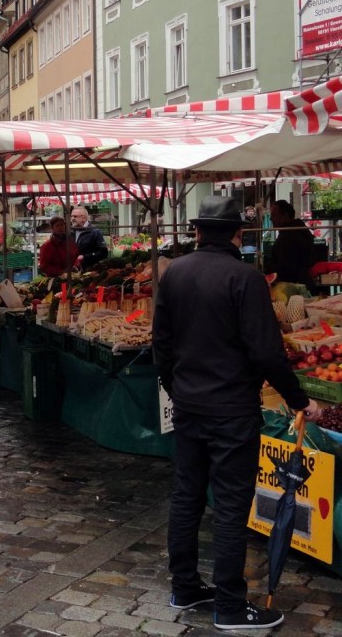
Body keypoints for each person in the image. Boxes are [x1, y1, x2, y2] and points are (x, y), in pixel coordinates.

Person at [153, 195, 320, 631]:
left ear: (196, 231)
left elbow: (162, 345)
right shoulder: (245, 278)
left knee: (187, 497)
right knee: (229, 506)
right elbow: (267, 353)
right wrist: (299, 399)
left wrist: (178, 387)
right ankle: (229, 605)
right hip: (230, 410)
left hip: (189, 405)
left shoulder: (175, 274)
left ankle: (184, 586)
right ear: (237, 233)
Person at [267, 199, 315, 289]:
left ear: (285, 216)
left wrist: (270, 267)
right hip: (303, 283)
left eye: (274, 215)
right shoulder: (299, 230)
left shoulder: (289, 236)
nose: (271, 218)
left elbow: (287, 268)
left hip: (293, 287)